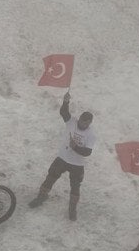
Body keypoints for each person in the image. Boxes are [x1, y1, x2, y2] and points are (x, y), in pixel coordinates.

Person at [28, 92, 96, 221]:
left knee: (75, 186)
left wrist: (75, 147)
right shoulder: (72, 122)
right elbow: (64, 113)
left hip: (77, 164)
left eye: (85, 123)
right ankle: (41, 197)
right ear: (79, 118)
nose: (82, 124)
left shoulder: (92, 135)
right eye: (81, 121)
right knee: (50, 177)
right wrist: (65, 101)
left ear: (89, 123)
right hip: (62, 158)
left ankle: (72, 209)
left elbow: (87, 152)